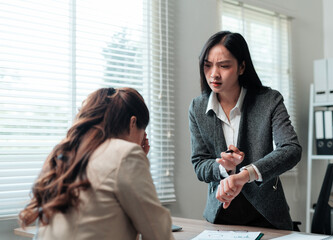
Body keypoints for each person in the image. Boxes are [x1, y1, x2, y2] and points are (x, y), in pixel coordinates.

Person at [19, 87, 174, 240]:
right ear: (132, 123)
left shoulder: (64, 154)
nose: (142, 141)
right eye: (143, 133)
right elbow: (158, 233)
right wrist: (137, 159)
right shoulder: (126, 154)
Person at [188, 31, 302, 230]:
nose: (214, 73)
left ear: (241, 67)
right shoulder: (197, 107)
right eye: (208, 65)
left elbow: (291, 149)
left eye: (224, 66)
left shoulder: (269, 100)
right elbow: (199, 164)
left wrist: (245, 174)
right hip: (220, 216)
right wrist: (224, 167)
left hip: (267, 216)